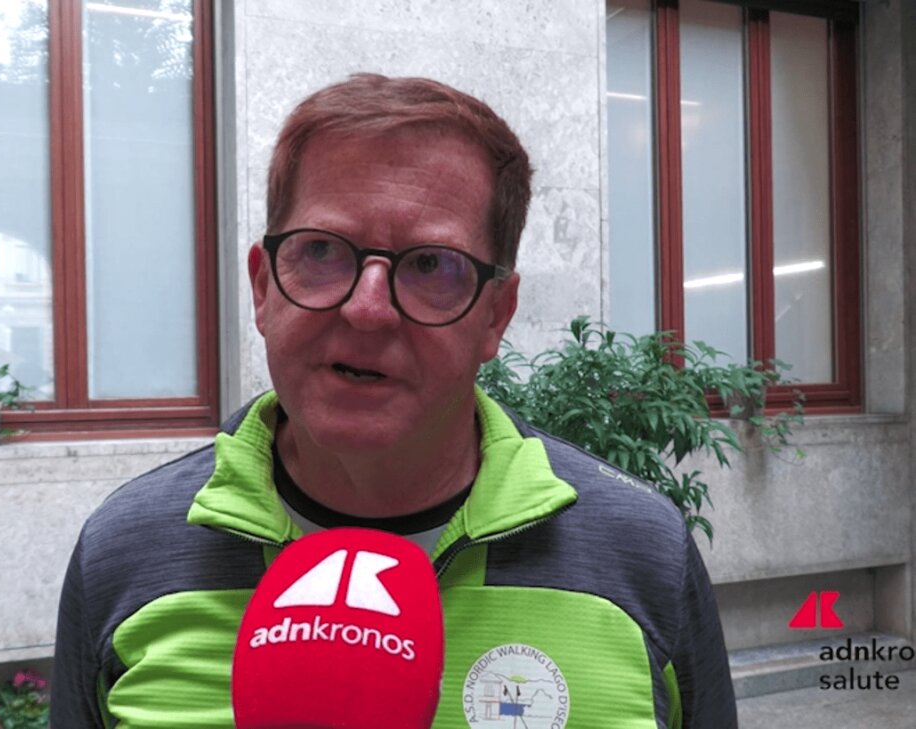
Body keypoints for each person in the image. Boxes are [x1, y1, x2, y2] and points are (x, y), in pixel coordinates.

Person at [51, 73, 737, 728]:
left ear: (496, 314)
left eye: (432, 264)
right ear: (263, 287)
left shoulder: (640, 555)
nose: (367, 309)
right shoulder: (127, 553)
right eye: (321, 252)